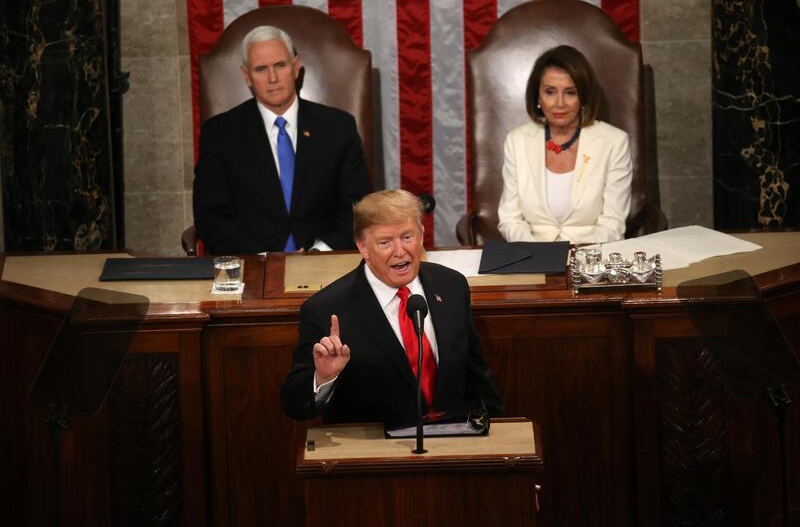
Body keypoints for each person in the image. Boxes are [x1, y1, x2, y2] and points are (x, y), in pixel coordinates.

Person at [281, 189, 505, 424]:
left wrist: (500, 433)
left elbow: (478, 374)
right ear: (363, 247)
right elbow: (295, 405)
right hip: (374, 450)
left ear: (421, 235)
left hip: (452, 438)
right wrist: (323, 377)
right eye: (385, 242)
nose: (400, 251)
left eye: (407, 237)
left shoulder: (452, 286)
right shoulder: (325, 309)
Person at [193, 26, 370, 255]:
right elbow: (211, 216)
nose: (273, 78)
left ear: (296, 67)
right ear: (247, 76)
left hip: (326, 261)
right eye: (260, 69)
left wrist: (320, 252)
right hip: (252, 265)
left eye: (280, 65)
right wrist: (263, 259)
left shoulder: (338, 127)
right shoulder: (219, 134)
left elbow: (358, 207)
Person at [497, 45, 632, 244]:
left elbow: (613, 223)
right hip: (532, 257)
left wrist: (573, 255)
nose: (559, 103)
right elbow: (510, 219)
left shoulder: (614, 142)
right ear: (538, 97)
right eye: (550, 92)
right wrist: (538, 254)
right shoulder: (516, 141)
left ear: (583, 97)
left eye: (570, 92)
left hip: (591, 260)